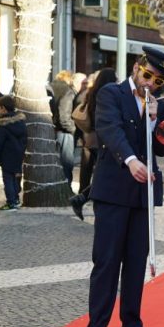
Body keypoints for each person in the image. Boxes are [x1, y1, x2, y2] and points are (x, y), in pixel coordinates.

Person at [82, 47, 164, 327]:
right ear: (136, 67)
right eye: (147, 75)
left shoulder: (158, 105)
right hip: (113, 191)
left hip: (142, 194)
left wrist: (155, 121)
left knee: (135, 264)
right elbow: (110, 130)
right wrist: (131, 160)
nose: (150, 83)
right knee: (107, 263)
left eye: (157, 81)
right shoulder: (111, 93)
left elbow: (161, 150)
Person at [70, 68, 118, 220]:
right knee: (105, 174)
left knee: (88, 172)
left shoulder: (91, 93)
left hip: (89, 137)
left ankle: (82, 197)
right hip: (102, 139)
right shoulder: (109, 94)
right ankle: (84, 199)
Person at [0, 95, 26, 210]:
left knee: (8, 180)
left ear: (3, 109)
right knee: (16, 179)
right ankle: (16, 199)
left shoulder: (3, 126)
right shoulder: (21, 123)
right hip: (18, 156)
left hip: (6, 157)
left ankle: (11, 202)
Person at [50, 69, 77, 185]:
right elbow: (64, 118)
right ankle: (66, 186)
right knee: (66, 163)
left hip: (51, 130)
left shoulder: (49, 87)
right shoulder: (67, 91)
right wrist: (74, 130)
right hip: (64, 132)